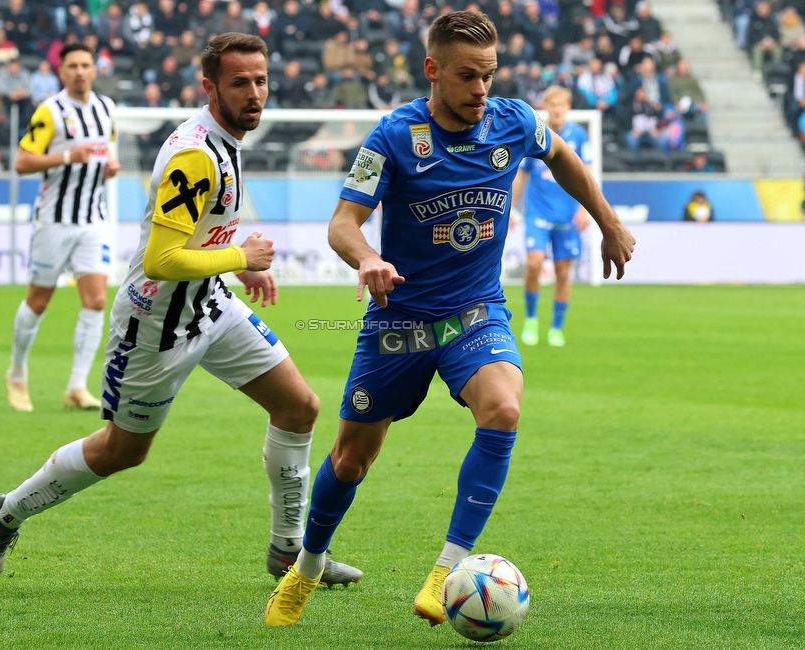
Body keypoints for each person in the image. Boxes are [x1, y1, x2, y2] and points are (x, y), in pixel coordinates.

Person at [264, 11, 635, 627]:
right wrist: (368, 259)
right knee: (352, 459)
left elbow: (564, 157)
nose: (480, 90)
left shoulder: (513, 121)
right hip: (399, 322)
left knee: (505, 409)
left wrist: (608, 221)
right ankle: (306, 564)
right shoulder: (391, 137)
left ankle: (447, 571)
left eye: (488, 75)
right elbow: (341, 223)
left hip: (474, 313)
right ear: (433, 70)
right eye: (467, 77)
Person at [0, 32, 363, 590]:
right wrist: (241, 255)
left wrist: (236, 269)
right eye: (240, 83)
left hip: (209, 304)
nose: (255, 94)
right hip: (156, 323)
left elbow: (194, 239)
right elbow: (159, 260)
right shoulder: (196, 157)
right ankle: (5, 512)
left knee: (299, 406)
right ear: (209, 87)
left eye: (261, 81)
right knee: (122, 450)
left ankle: (289, 552)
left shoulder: (224, 139)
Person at [5, 43, 120, 413]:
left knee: (97, 300)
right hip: (54, 219)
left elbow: (107, 153)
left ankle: (77, 385)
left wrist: (108, 168)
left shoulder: (107, 109)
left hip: (93, 219)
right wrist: (68, 155)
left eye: (86, 64)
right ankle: (17, 371)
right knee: (38, 301)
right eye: (72, 66)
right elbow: (22, 162)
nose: (80, 71)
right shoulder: (50, 111)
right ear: (61, 72)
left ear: (95, 69)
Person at [512, 86, 591, 348]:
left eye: (561, 104)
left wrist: (584, 209)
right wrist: (510, 208)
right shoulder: (536, 134)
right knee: (534, 264)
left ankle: (556, 327)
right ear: (545, 107)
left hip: (567, 215)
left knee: (563, 273)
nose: (557, 109)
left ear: (568, 107)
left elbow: (586, 173)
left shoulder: (578, 135)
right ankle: (532, 319)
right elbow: (521, 174)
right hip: (538, 213)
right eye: (552, 104)